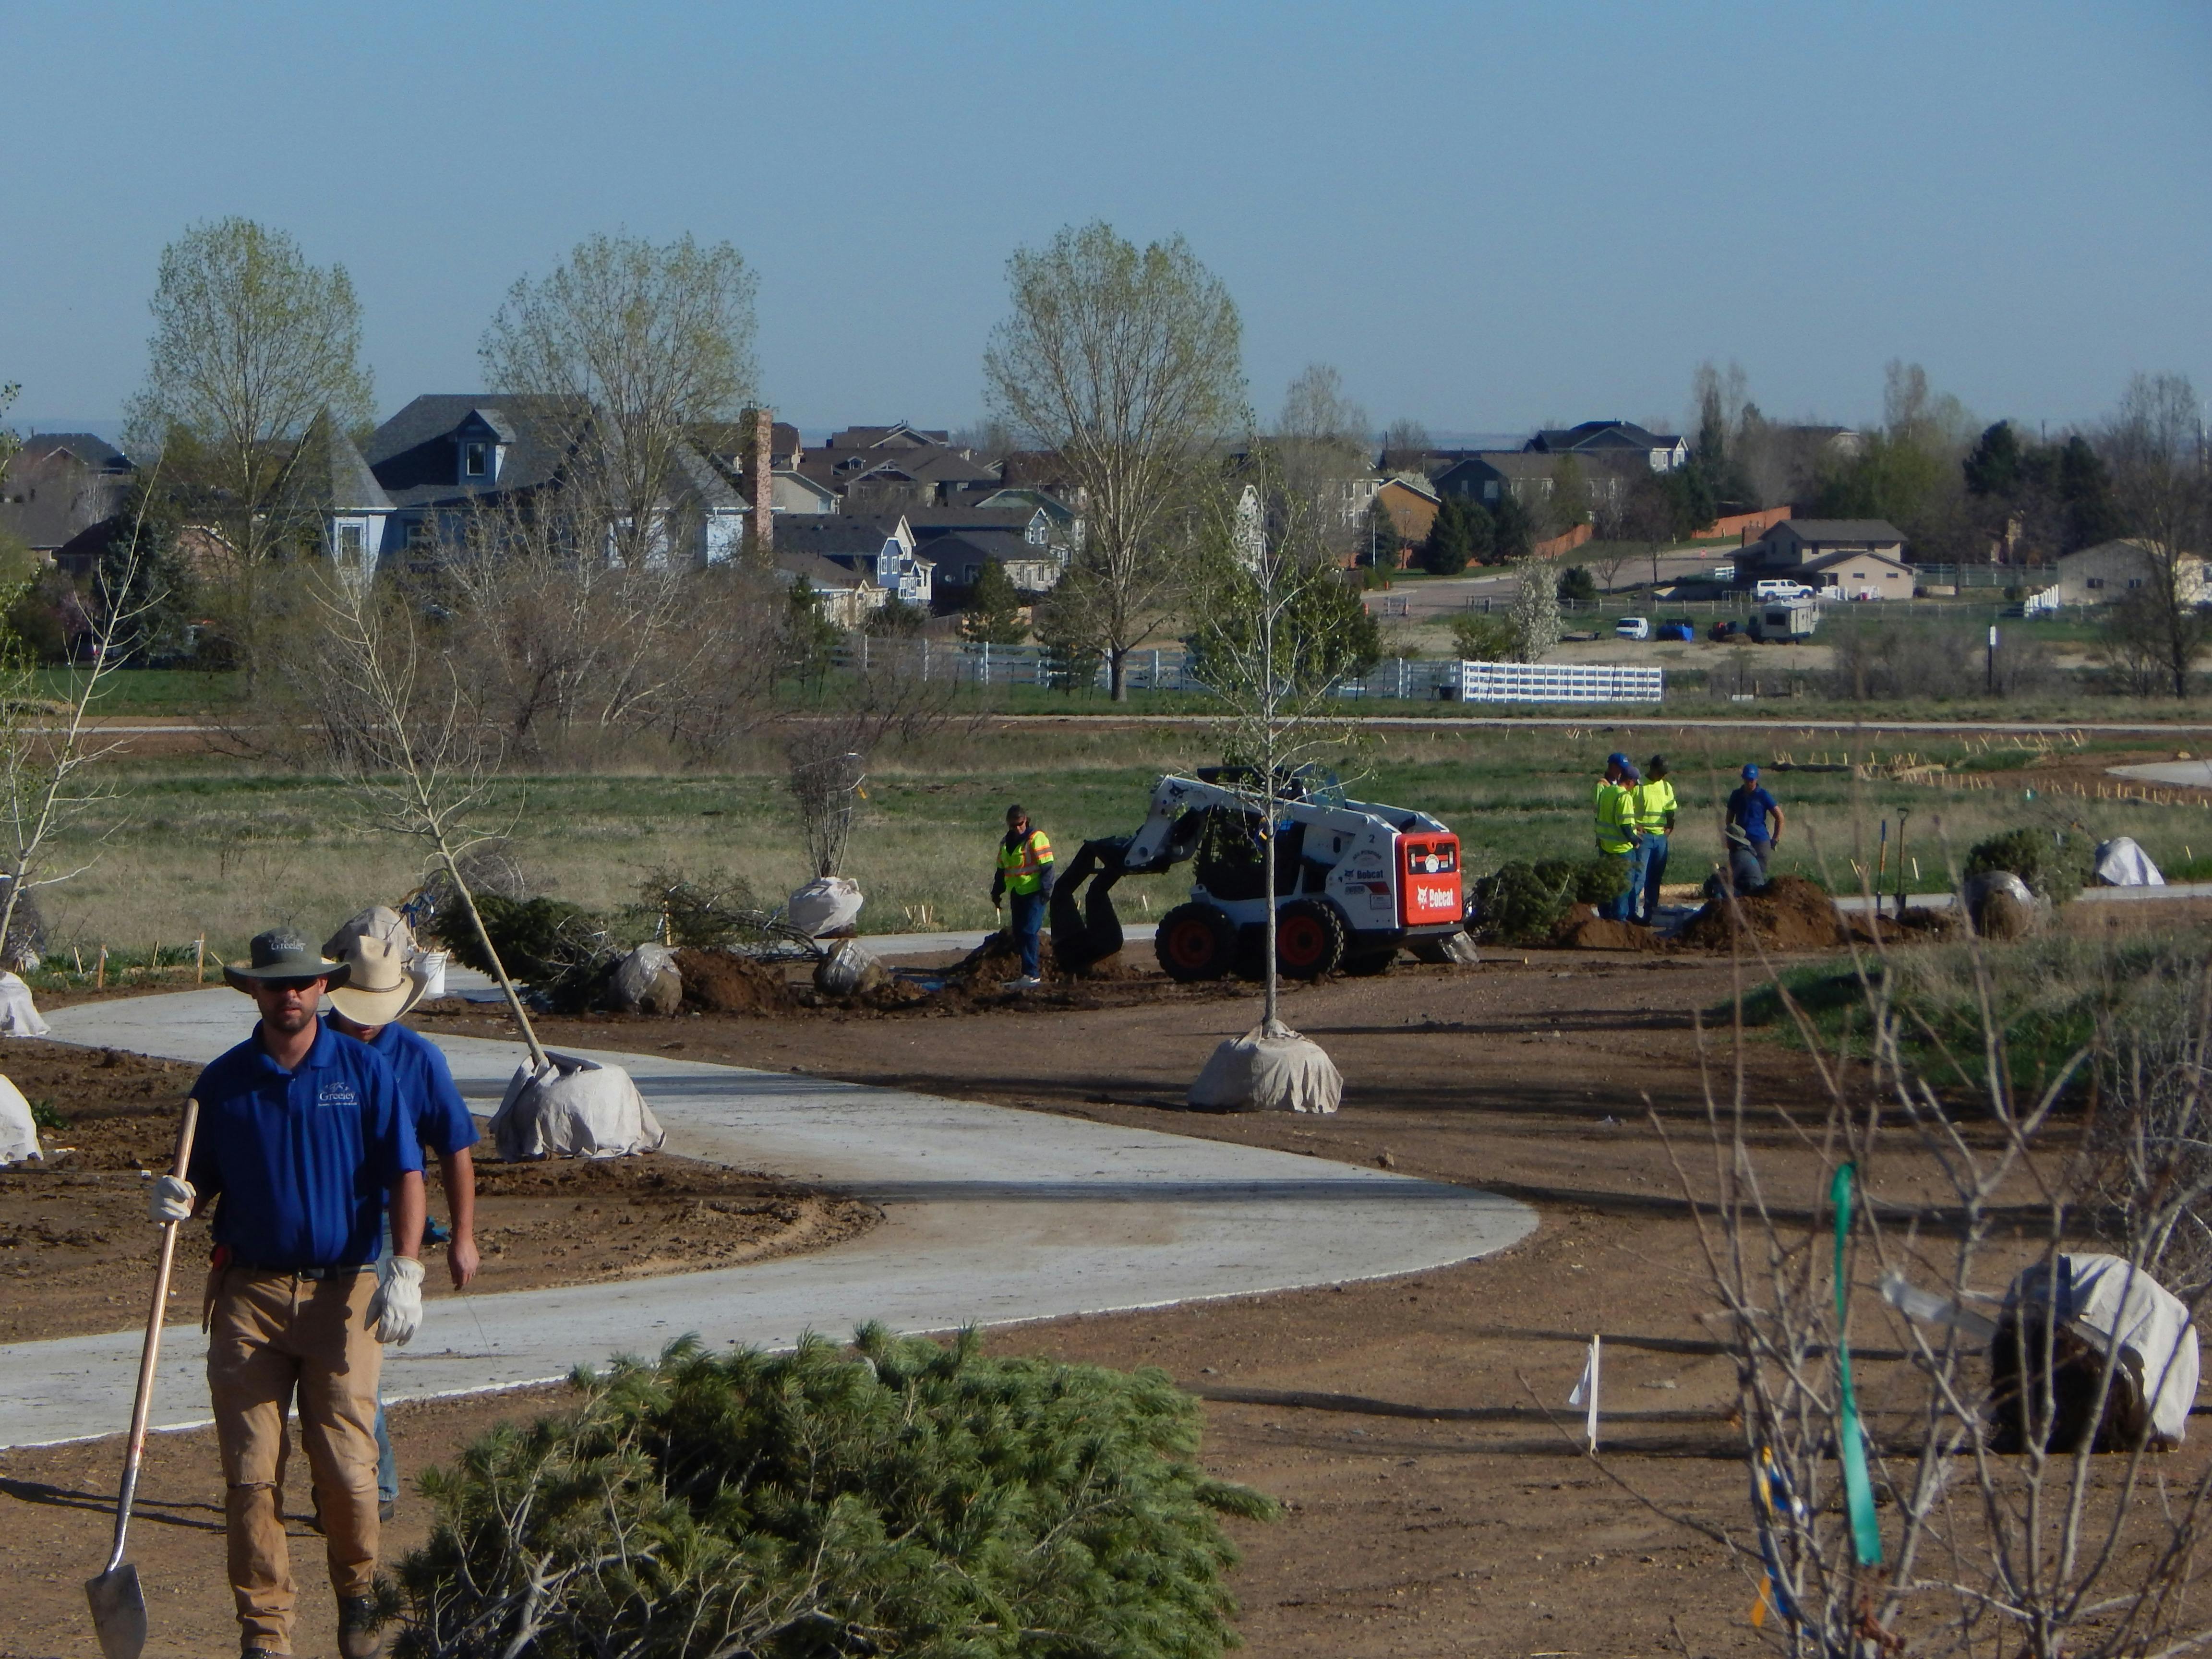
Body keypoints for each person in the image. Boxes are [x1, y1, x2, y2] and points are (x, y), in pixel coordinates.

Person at [148, 929, 423, 1659]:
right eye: (276, 985)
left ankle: (358, 1599)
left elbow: (407, 1172)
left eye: (302, 983)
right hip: (250, 1295)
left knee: (348, 1472)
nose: (290, 995)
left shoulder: (364, 1071)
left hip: (345, 1294)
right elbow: (197, 1178)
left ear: (325, 987)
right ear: (254, 991)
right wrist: (178, 1195)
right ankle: (265, 1634)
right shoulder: (222, 1083)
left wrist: (407, 1266)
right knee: (250, 1478)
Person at [323, 929, 478, 1525]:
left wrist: (462, 1237)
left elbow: (455, 1149)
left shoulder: (418, 1058)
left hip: (387, 1223)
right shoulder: (308, 1049)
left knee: (353, 1357)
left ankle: (374, 1486)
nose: (366, 1024)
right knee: (325, 1361)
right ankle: (347, 1482)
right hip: (320, 1218)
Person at [989, 803, 1054, 989]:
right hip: (1017, 893)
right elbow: (1001, 871)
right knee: (1019, 933)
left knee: (1029, 931)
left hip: (1035, 893)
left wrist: (1046, 891)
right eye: (1013, 825)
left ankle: (1032, 974)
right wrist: (997, 893)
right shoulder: (1005, 844)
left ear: (1026, 820)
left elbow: (1048, 867)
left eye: (1020, 824)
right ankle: (1027, 973)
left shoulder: (1036, 838)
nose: (1018, 828)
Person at [1592, 754, 1642, 922]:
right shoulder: (1624, 797)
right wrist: (1635, 841)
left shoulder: (1606, 792)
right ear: (1631, 782)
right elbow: (1626, 826)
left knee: (1606, 882)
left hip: (1605, 846)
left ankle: (1605, 917)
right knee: (1623, 885)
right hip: (1622, 849)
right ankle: (1619, 921)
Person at [1632, 754, 1679, 925]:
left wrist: (1669, 828)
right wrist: (1635, 826)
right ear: (1652, 769)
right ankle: (1632, 913)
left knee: (1655, 877)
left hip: (1660, 838)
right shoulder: (1639, 785)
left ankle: (1650, 913)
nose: (1662, 776)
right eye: (1660, 772)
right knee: (1639, 877)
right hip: (1644, 838)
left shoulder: (1666, 787)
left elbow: (1670, 810)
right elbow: (1628, 808)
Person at [1726, 763, 1785, 875]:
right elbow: (1729, 818)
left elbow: (1780, 817)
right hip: (1741, 841)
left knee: (1758, 874)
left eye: (1752, 780)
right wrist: (1730, 837)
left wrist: (1776, 839)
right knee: (1738, 874)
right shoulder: (1736, 795)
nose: (1749, 783)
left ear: (1757, 779)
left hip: (1760, 841)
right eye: (1747, 780)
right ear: (1743, 779)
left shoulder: (1763, 795)